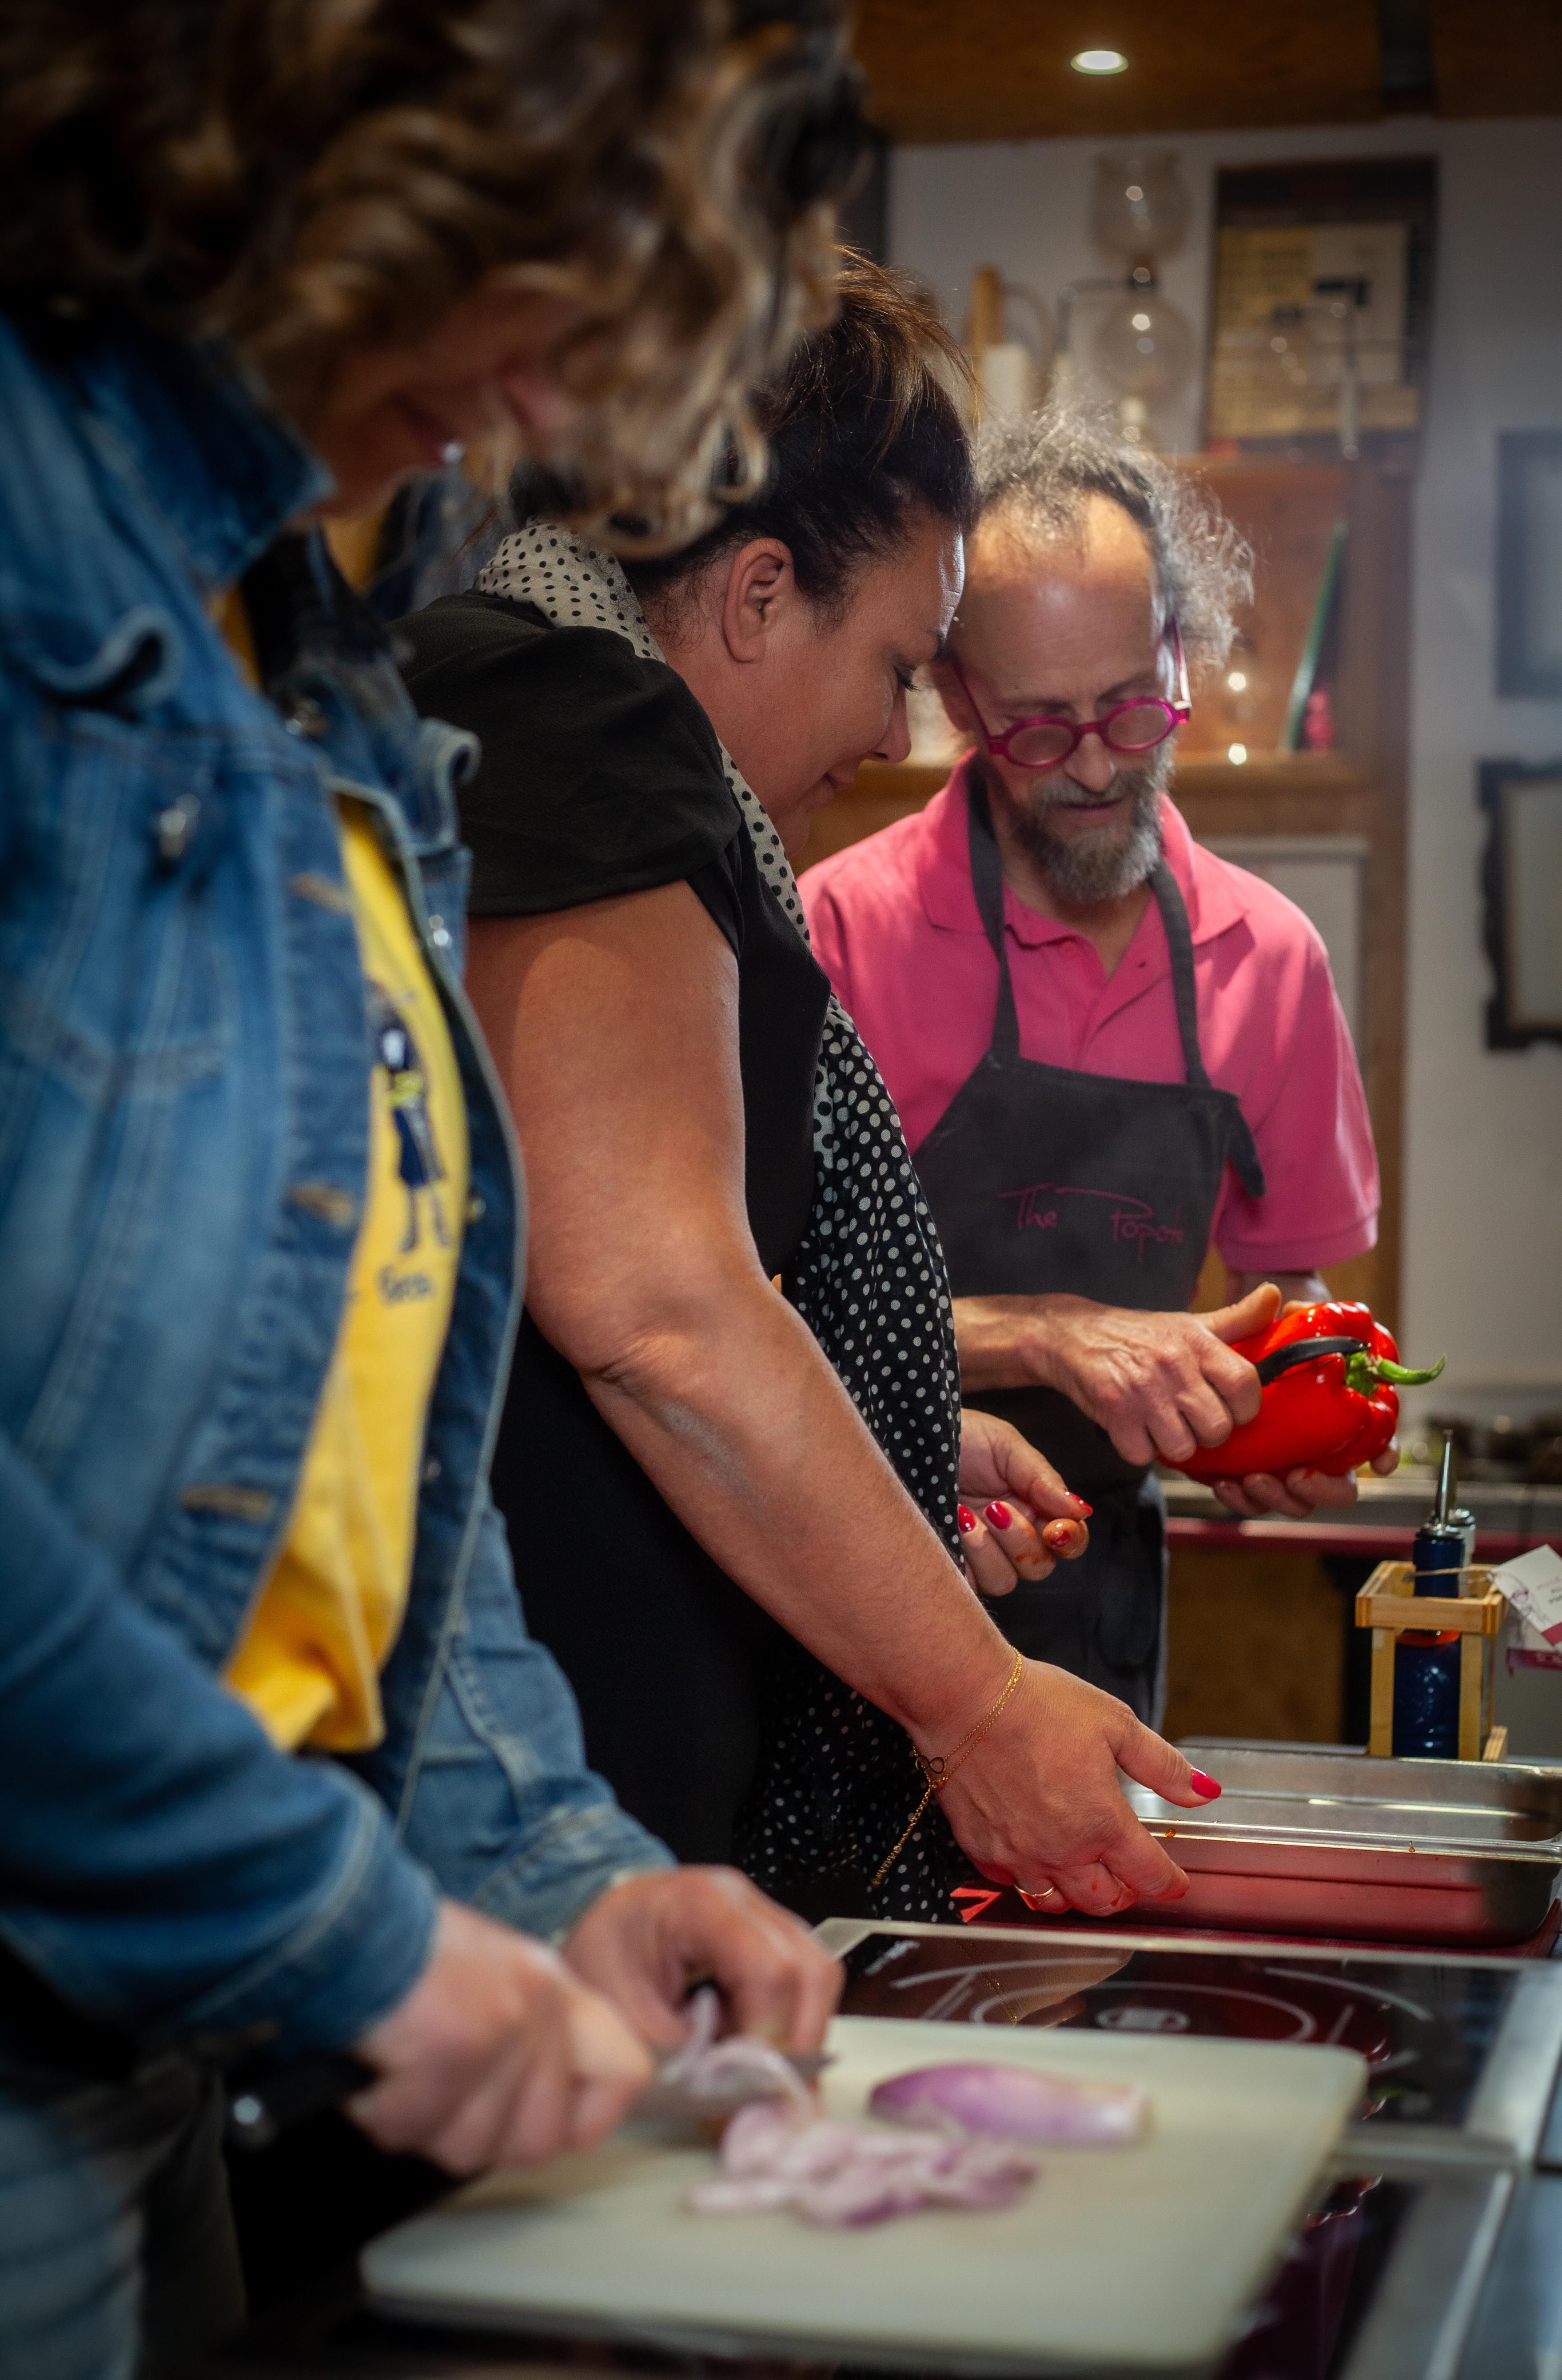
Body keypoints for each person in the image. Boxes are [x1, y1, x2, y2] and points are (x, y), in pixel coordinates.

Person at [0, 2, 856, 2371]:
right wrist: (350, 1933)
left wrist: (547, 1865)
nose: (549, 397)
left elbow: (361, 1437)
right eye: (536, 261)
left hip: (158, 2029)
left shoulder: (328, 652)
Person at [400, 260, 1221, 1938]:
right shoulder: (576, 719)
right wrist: (976, 1702)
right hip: (550, 1818)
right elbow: (657, 1310)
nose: (901, 730)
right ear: (760, 592)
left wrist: (902, 1427)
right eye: (899, 662)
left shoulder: (525, 703)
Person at [801, 400, 1387, 1725]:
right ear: (957, 698)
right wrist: (1052, 1336)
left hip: (1097, 1601)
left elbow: (1290, 1295)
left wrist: (1262, 1414)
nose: (1096, 768)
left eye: (1131, 708)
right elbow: (761, 1315)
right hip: (859, 1575)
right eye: (1038, 726)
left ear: (1179, 644)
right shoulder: (838, 938)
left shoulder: (1271, 961)